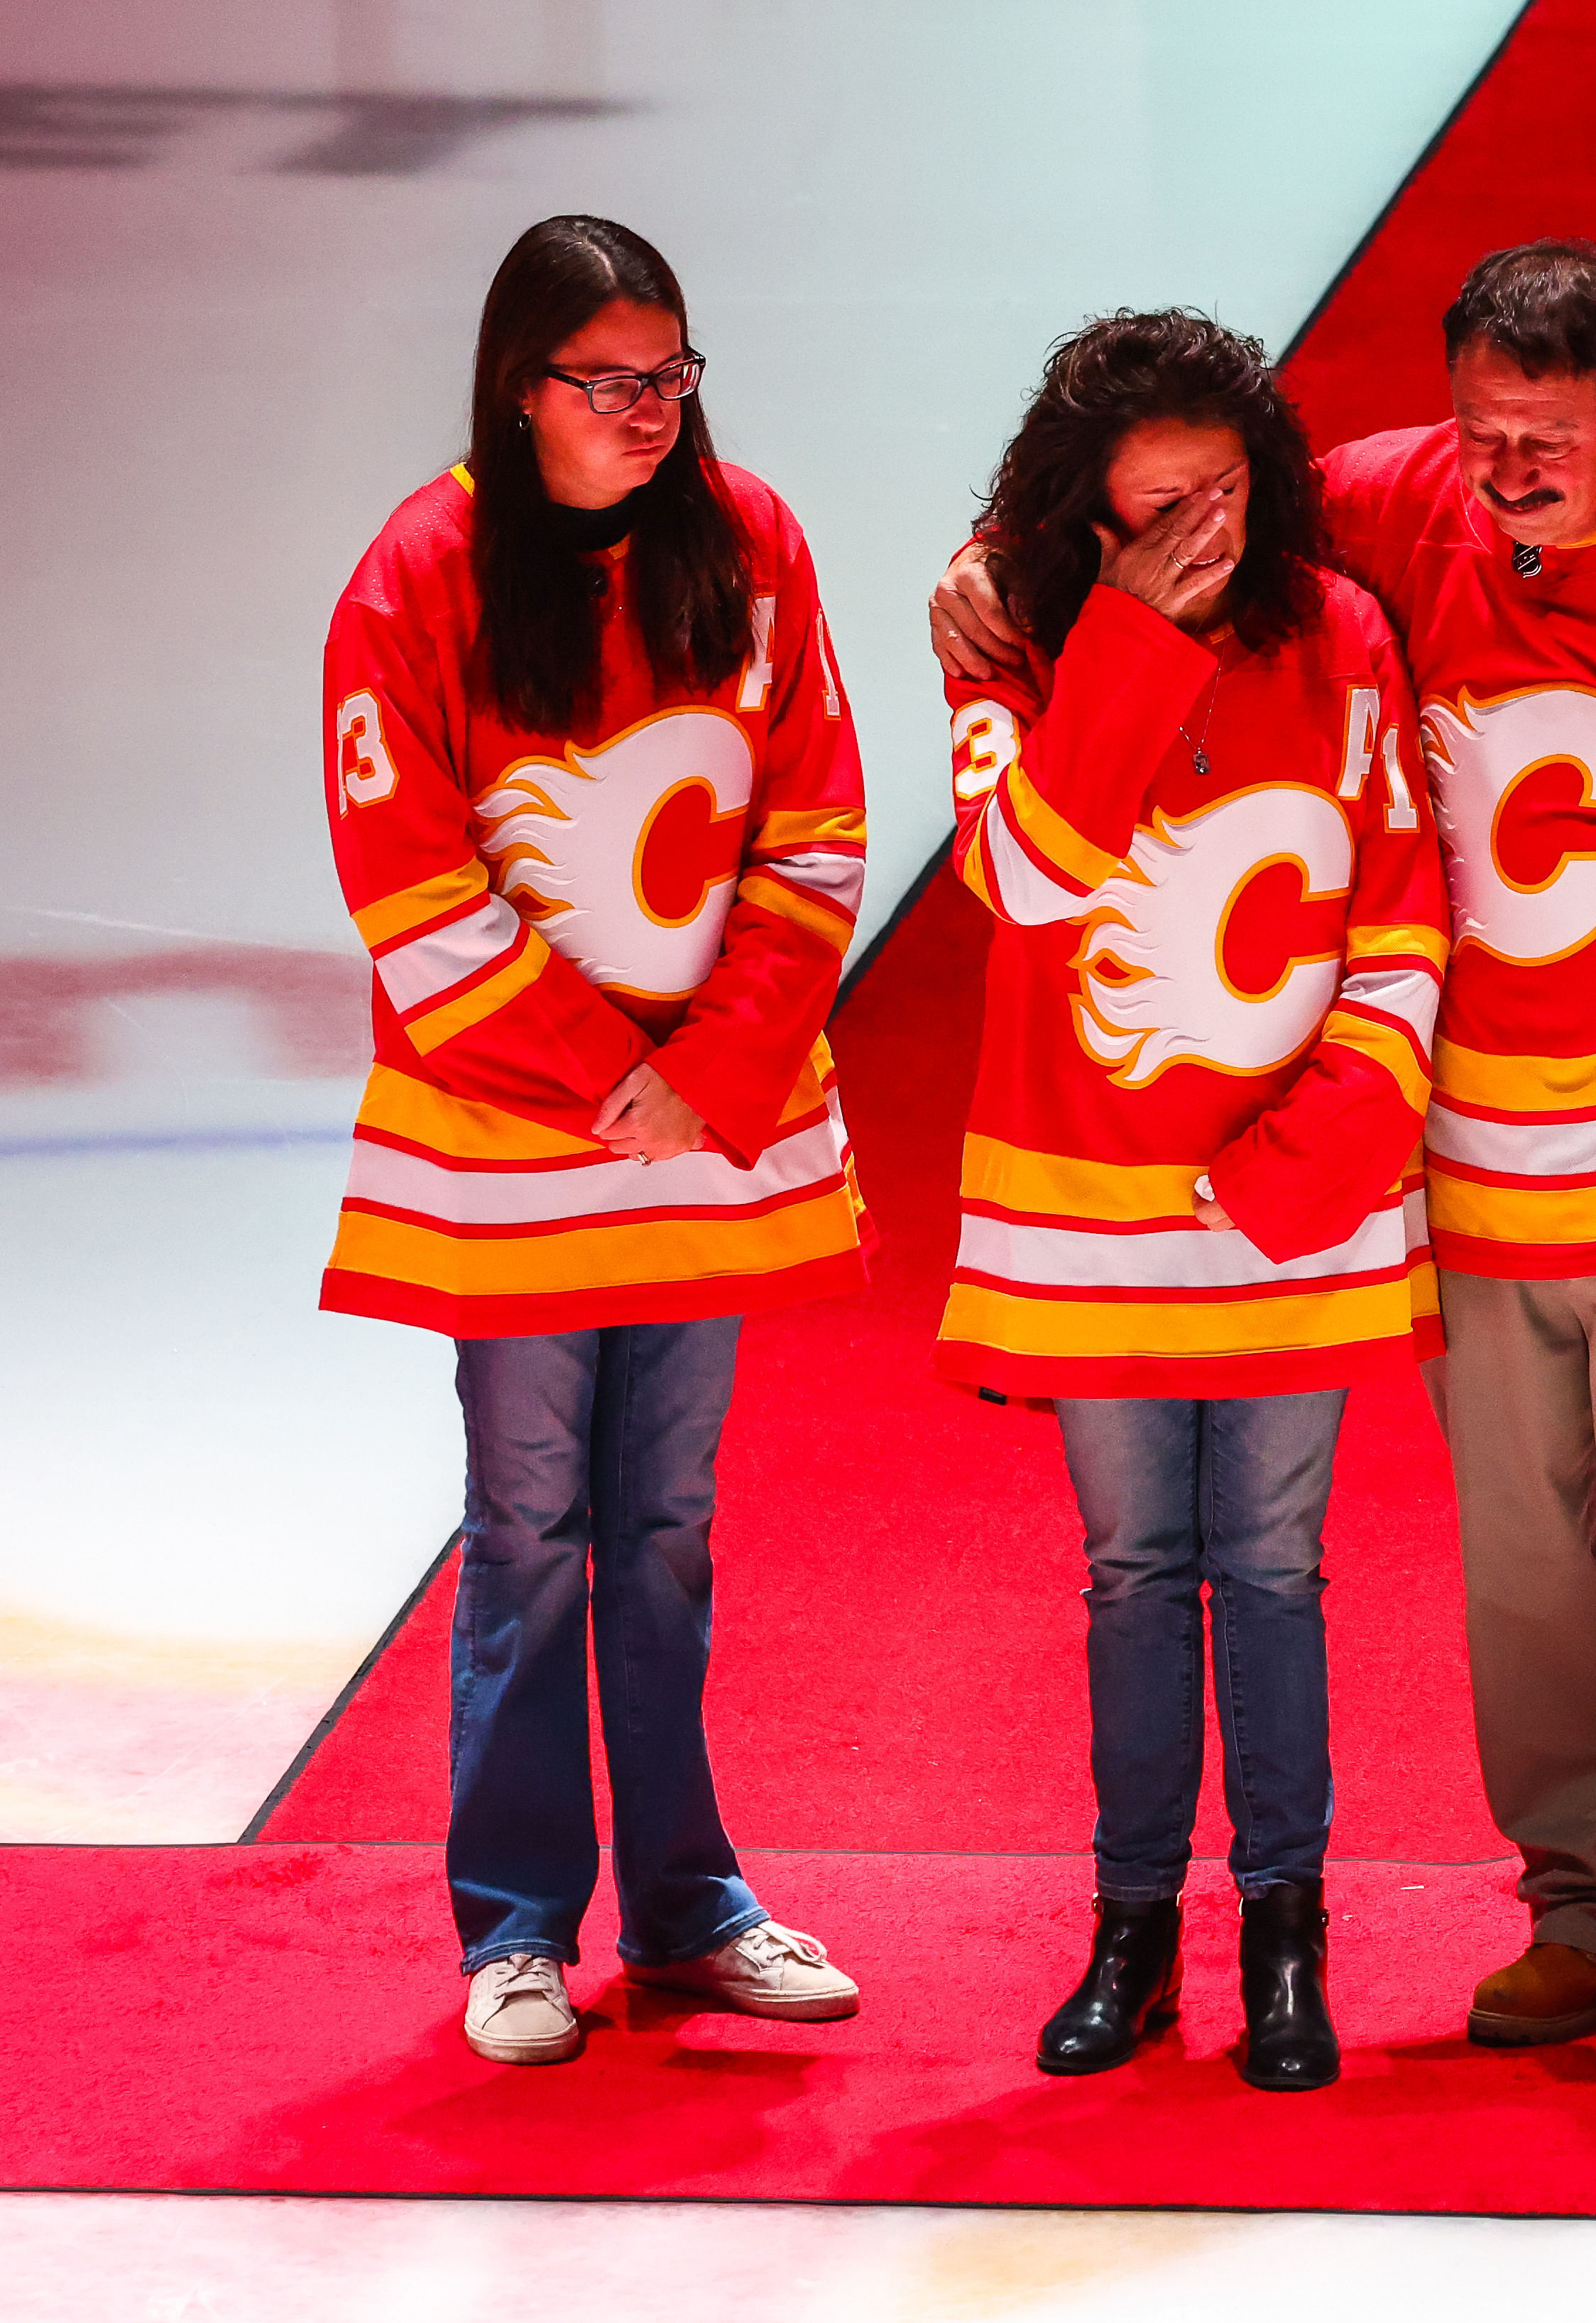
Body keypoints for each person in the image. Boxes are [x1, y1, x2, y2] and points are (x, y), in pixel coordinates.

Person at [934, 240, 1596, 2088]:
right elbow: (1203, 522)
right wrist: (989, 573)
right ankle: (1587, 1911)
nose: (1507, 465)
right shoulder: (1411, 499)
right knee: (1529, 1595)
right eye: (1480, 424)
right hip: (1472, 1183)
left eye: (1546, 433)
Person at [318, 215, 870, 2066]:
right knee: (531, 1522)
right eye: (609, 381)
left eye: (671, 375)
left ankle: (693, 1902)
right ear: (518, 387)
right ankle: (516, 1931)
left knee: (665, 1528)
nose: (649, 411)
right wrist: (591, 1077)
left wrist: (710, 1066)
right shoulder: (421, 575)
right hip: (514, 1150)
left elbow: (815, 824)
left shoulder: (754, 543)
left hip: (695, 1134)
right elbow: (406, 881)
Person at [933, 310, 1448, 2091]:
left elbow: (1400, 918)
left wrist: (1315, 1160)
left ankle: (1287, 1938)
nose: (1206, 543)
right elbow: (1024, 874)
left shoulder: (1345, 636)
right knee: (1137, 1571)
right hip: (1090, 1202)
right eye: (1160, 516)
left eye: (1225, 501)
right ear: (1090, 522)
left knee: (1277, 1570)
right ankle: (1133, 1931)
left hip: (1287, 1199)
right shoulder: (1014, 646)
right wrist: (1131, 637)